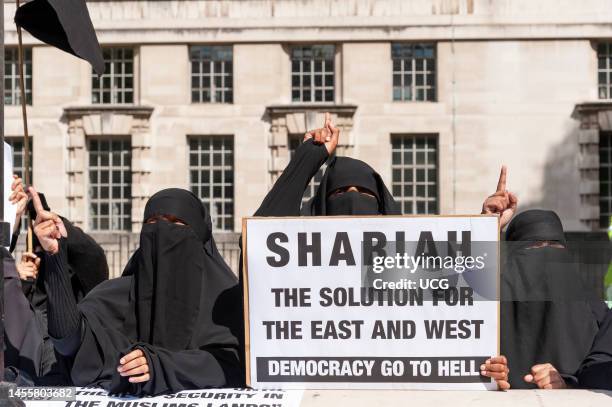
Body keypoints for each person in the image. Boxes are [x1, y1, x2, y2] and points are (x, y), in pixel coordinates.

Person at [32, 187, 243, 395]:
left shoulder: (227, 304)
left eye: (176, 224)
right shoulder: (113, 297)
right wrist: (56, 256)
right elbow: (68, 342)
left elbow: (235, 365)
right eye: (152, 223)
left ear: (200, 234)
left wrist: (161, 366)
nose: (162, 231)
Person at [3, 179, 109, 385]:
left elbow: (93, 257)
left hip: (61, 364)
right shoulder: (26, 270)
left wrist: (57, 228)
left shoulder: (78, 271)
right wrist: (18, 279)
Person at [495, 210, 607, 389]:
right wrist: (487, 375)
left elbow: (604, 366)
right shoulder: (487, 309)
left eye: (554, 246)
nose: (546, 253)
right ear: (513, 256)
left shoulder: (597, 311)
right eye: (535, 245)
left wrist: (569, 383)